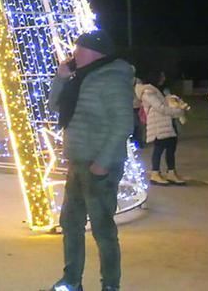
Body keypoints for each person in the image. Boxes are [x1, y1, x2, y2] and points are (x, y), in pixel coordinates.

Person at [46, 31, 135, 291]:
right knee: (70, 223)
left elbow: (123, 124)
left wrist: (102, 163)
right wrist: (60, 79)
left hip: (99, 167)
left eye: (78, 49)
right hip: (77, 162)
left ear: (94, 52)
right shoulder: (79, 78)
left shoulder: (112, 79)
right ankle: (71, 280)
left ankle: (110, 285)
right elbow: (54, 106)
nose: (73, 53)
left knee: (102, 229)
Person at [136, 72, 187, 186]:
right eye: (161, 76)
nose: (163, 78)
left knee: (171, 147)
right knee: (159, 148)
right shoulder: (148, 92)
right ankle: (155, 173)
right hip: (158, 125)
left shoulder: (161, 90)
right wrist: (178, 111)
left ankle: (171, 172)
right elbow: (161, 108)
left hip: (167, 124)